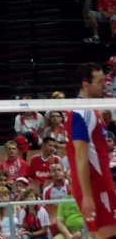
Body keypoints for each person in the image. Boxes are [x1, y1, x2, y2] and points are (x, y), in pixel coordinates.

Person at [65, 62, 116, 239]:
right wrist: (87, 195)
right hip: (96, 186)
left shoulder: (90, 110)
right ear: (86, 84)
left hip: (99, 184)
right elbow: (80, 155)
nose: (105, 85)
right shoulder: (82, 112)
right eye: (100, 81)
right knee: (108, 234)